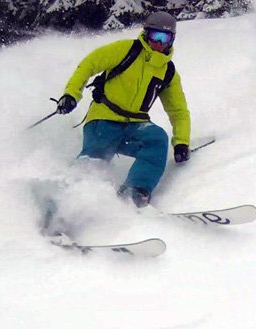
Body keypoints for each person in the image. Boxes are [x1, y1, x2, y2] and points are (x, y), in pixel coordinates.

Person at [55, 11, 191, 208]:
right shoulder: (126, 50)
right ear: (146, 34)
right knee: (93, 165)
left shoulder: (168, 72)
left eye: (165, 38)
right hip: (103, 119)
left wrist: (182, 142)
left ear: (172, 40)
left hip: (135, 125)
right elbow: (88, 65)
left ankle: (134, 192)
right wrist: (71, 94)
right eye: (155, 36)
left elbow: (178, 111)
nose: (159, 43)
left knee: (157, 140)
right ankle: (59, 211)